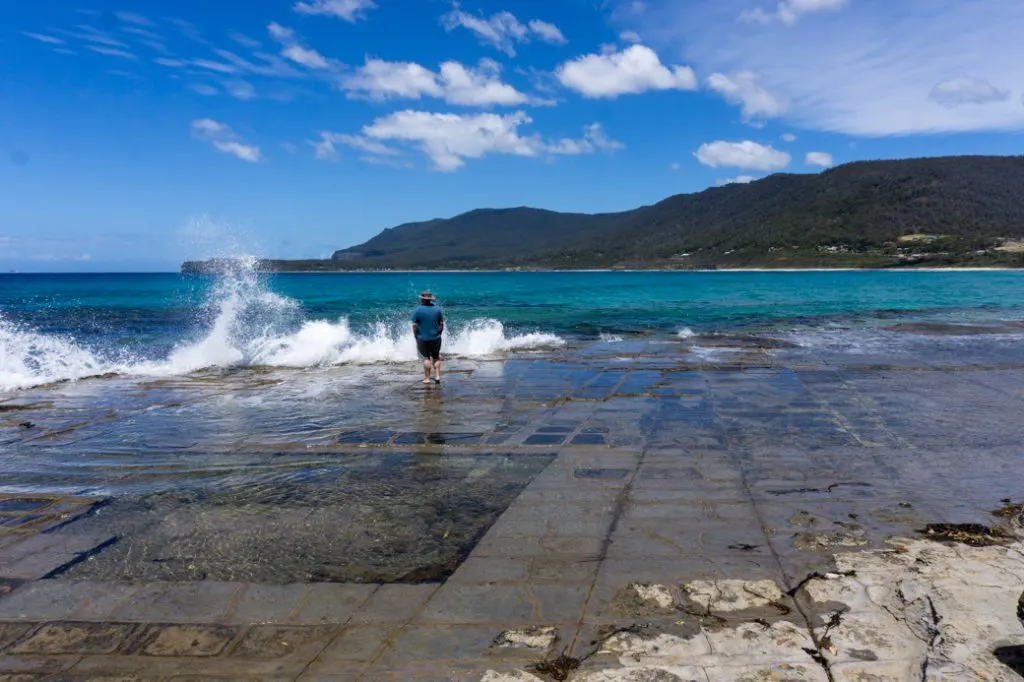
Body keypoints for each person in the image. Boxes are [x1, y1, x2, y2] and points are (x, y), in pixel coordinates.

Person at [411, 290, 444, 384]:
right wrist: (439, 333)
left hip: (423, 339)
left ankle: (427, 378)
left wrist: (415, 336)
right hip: (436, 338)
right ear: (430, 299)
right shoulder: (437, 309)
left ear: (423, 299)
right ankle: (437, 376)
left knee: (426, 358)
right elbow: (441, 324)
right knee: (436, 357)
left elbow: (414, 325)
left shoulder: (418, 310)